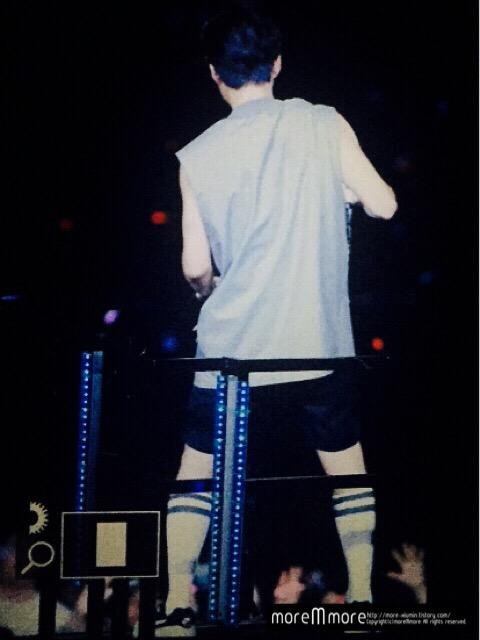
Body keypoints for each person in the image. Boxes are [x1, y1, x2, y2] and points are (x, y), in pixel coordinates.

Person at [160, 7, 397, 636]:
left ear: (215, 73)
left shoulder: (197, 154)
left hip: (231, 347)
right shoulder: (323, 122)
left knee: (196, 473)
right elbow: (384, 204)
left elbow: (194, 267)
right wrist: (343, 192)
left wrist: (208, 289)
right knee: (346, 467)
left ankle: (176, 604)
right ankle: (364, 597)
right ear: (278, 64)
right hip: (317, 340)